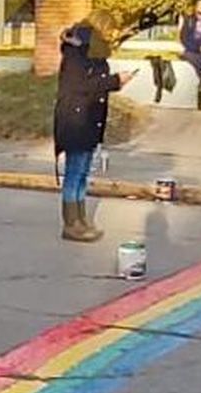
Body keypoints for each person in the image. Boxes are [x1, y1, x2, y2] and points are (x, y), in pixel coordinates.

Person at [54, 23, 138, 242]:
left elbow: (94, 84)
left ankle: (80, 218)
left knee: (82, 173)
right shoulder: (75, 58)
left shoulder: (92, 58)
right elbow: (83, 86)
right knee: (74, 173)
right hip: (76, 122)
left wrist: (115, 81)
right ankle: (71, 223)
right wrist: (115, 81)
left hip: (89, 121)